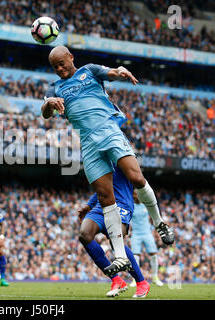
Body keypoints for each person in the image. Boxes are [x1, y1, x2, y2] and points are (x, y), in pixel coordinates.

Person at [41, 45, 174, 276]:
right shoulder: (56, 88)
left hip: (108, 130)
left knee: (136, 177)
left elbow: (110, 72)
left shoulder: (89, 71)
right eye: (55, 67)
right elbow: (45, 113)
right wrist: (48, 103)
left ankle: (159, 222)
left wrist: (119, 71)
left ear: (71, 58)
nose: (59, 69)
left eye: (62, 63)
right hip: (88, 143)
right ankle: (121, 256)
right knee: (105, 197)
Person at [78, 166, 150, 298]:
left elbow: (139, 179)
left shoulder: (121, 155)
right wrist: (89, 205)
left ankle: (141, 282)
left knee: (115, 241)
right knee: (84, 234)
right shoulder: (102, 160)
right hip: (102, 204)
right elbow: (103, 187)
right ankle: (117, 280)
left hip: (121, 204)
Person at [130, 190, 164, 287]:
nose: (136, 196)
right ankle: (135, 279)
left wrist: (156, 231)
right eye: (134, 194)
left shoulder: (146, 204)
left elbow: (152, 218)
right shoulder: (131, 205)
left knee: (153, 254)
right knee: (135, 256)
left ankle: (155, 277)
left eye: (137, 194)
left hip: (147, 233)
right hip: (136, 234)